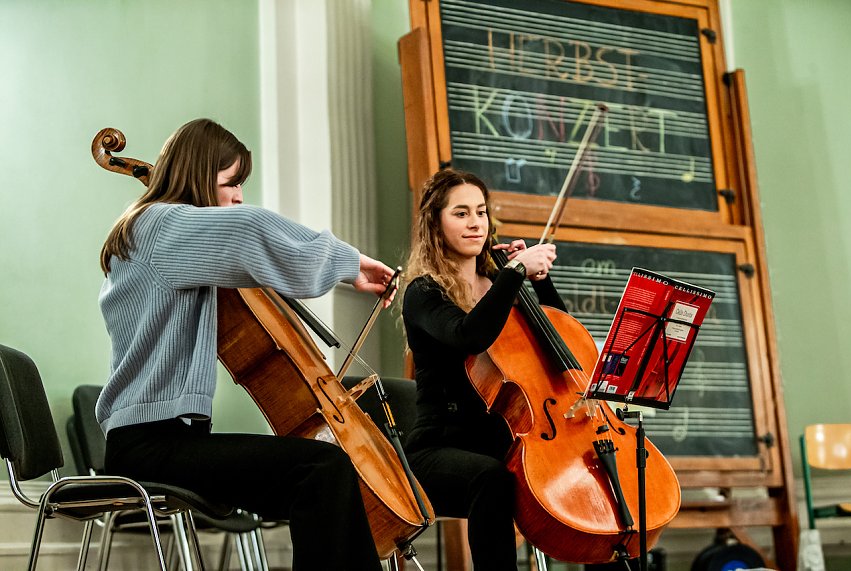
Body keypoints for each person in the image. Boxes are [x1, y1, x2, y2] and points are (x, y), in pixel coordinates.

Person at [97, 118, 389, 571]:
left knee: (321, 476)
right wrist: (350, 261)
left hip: (168, 441)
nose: (237, 196)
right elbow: (248, 228)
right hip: (148, 444)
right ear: (197, 174)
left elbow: (240, 231)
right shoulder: (157, 226)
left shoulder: (167, 236)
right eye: (231, 182)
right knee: (320, 469)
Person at [400, 168, 566, 570]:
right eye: (460, 213)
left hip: (500, 442)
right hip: (438, 449)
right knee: (491, 478)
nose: (475, 222)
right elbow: (468, 336)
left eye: (481, 212)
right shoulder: (423, 292)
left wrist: (539, 282)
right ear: (435, 224)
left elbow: (559, 343)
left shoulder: (497, 283)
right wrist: (514, 273)